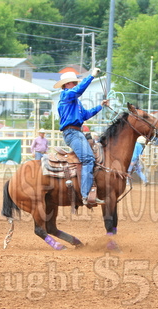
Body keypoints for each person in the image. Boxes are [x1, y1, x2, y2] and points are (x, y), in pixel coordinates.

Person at [55, 68, 108, 206]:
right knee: (88, 159)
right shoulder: (66, 95)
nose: (74, 84)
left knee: (91, 157)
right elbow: (78, 90)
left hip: (76, 132)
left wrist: (100, 106)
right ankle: (86, 195)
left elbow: (85, 115)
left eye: (75, 82)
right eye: (73, 82)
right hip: (72, 133)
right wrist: (91, 76)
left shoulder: (75, 102)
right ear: (66, 85)